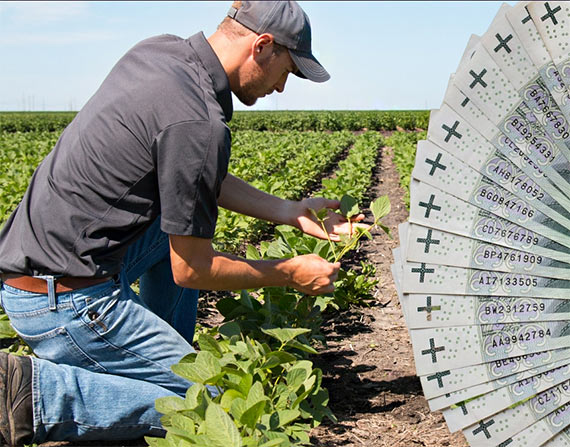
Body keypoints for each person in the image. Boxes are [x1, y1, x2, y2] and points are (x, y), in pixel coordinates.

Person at [0, 1, 359, 444]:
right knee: (212, 409)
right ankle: (38, 393)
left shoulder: (162, 53)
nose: (282, 87)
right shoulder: (200, 122)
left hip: (38, 268)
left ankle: (156, 357)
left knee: (172, 226)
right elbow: (192, 269)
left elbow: (192, 174)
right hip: (65, 303)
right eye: (287, 69)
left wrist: (288, 210)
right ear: (263, 47)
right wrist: (288, 272)